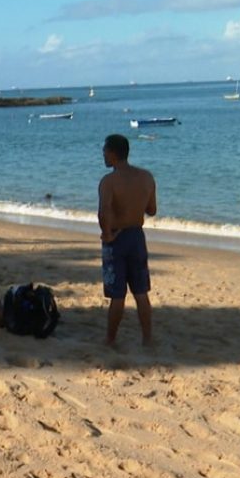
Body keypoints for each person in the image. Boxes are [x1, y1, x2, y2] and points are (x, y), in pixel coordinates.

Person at [98, 133, 157, 347]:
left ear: (113, 153)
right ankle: (147, 338)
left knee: (117, 294)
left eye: (104, 150)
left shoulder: (109, 181)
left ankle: (110, 338)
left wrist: (107, 233)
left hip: (117, 237)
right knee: (141, 292)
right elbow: (152, 209)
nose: (103, 154)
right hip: (136, 236)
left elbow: (104, 211)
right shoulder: (146, 177)